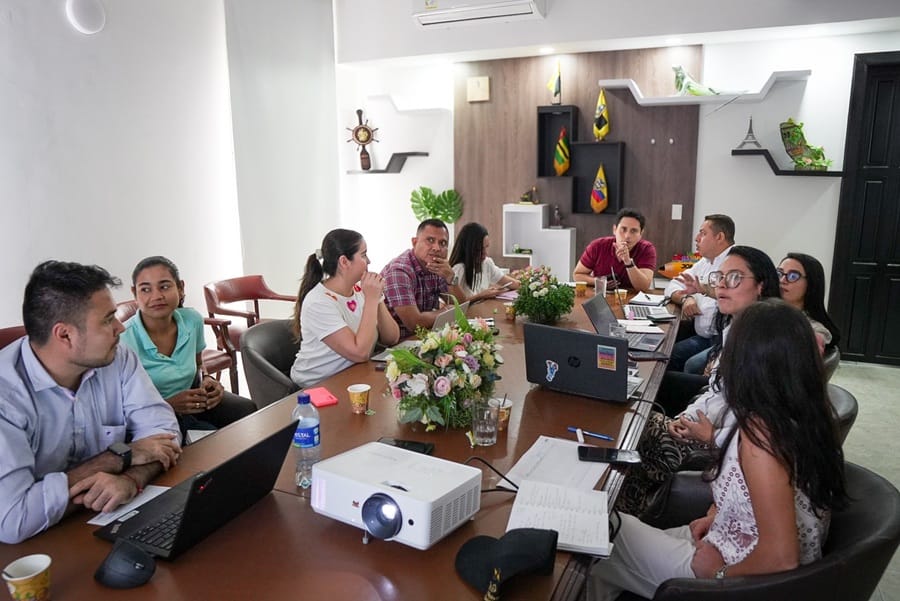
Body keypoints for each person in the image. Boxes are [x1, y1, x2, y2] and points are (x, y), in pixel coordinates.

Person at [590, 299, 847, 600]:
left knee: (599, 529)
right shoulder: (802, 412)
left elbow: (782, 557)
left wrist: (718, 575)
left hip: (742, 577)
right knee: (604, 558)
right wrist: (719, 517)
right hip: (732, 545)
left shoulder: (761, 438)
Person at [0, 261, 181, 544]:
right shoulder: (6, 397)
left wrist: (130, 480)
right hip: (35, 556)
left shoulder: (118, 357)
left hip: (106, 524)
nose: (121, 327)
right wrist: (119, 456)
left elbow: (164, 437)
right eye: (109, 319)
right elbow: (14, 518)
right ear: (65, 335)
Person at [617, 246, 781, 516]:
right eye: (720, 277)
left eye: (736, 278)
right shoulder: (734, 327)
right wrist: (689, 416)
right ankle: (628, 510)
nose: (722, 286)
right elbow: (717, 390)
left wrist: (708, 435)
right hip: (708, 424)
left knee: (636, 431)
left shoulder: (765, 344)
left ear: (761, 286)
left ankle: (628, 515)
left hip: (725, 444)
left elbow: (762, 425)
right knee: (636, 419)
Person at [120, 256, 257, 442]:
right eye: (145, 289)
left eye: (164, 286)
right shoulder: (122, 341)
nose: (156, 296)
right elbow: (117, 409)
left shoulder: (192, 320)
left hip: (194, 403)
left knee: (246, 412)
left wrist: (207, 379)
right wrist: (168, 405)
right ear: (134, 293)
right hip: (149, 420)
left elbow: (199, 362)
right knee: (210, 443)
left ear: (181, 287)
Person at [291, 229, 400, 388]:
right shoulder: (318, 302)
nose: (369, 261)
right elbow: (360, 353)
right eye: (363, 255)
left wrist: (377, 298)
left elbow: (391, 337)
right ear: (344, 262)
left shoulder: (360, 290)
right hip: (317, 386)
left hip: (353, 375)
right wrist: (371, 299)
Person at [664, 214, 735, 372]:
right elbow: (673, 284)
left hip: (722, 339)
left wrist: (702, 290)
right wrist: (687, 298)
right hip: (703, 335)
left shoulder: (734, 262)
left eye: (703, 233)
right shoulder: (706, 261)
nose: (697, 238)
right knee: (664, 349)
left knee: (672, 357)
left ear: (720, 237)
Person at [381, 219, 464, 337]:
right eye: (430, 240)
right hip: (399, 344)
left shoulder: (436, 266)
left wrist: (451, 278)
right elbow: (414, 323)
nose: (437, 248)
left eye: (443, 243)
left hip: (426, 336)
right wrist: (446, 311)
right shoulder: (399, 271)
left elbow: (461, 306)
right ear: (414, 242)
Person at [573, 208, 657, 292]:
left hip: (632, 299)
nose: (627, 235)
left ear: (640, 234)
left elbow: (644, 287)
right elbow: (577, 275)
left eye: (633, 231)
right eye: (623, 229)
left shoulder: (647, 249)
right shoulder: (597, 245)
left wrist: (628, 262)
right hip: (602, 297)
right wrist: (600, 282)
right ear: (614, 229)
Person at [778, 252, 841, 352]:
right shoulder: (765, 312)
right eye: (779, 273)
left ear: (811, 283)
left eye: (793, 276)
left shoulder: (816, 330)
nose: (782, 280)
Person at [448, 222, 519, 303]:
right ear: (468, 249)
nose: (485, 254)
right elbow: (455, 304)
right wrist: (481, 295)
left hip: (481, 312)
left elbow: (512, 283)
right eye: (479, 250)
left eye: (486, 247)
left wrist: (531, 283)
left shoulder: (486, 263)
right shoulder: (459, 269)